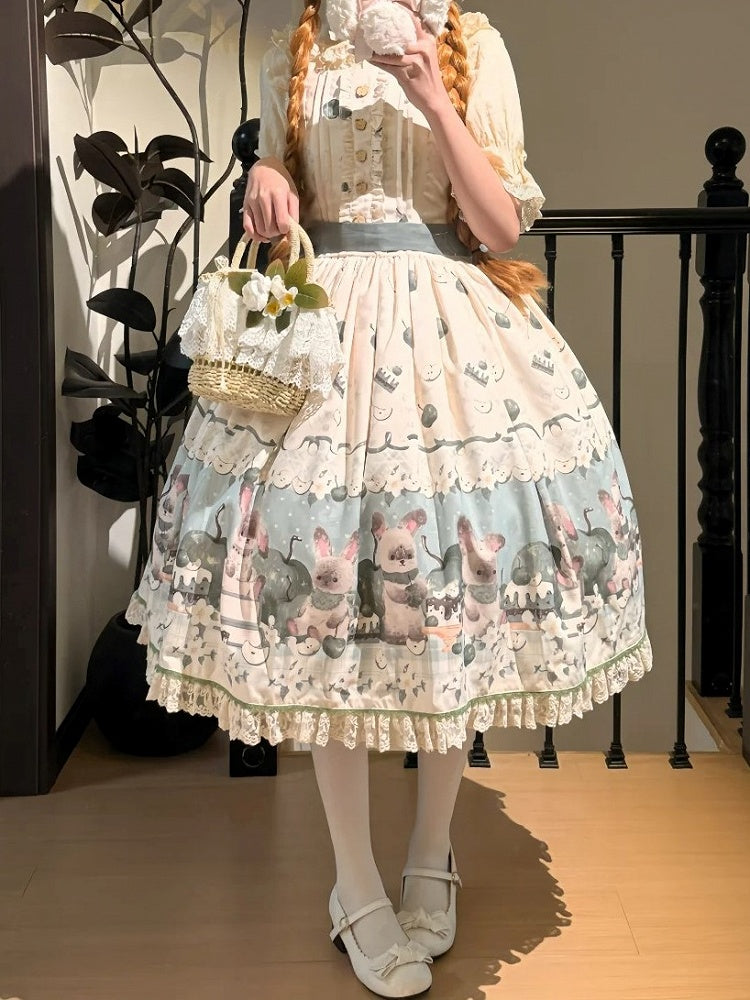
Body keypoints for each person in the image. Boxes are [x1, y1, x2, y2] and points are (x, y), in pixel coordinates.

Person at [127, 0, 653, 994]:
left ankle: (430, 850)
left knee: (441, 606)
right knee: (332, 613)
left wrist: (428, 91)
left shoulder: (473, 43)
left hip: (450, 343)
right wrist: (268, 177)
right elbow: (284, 185)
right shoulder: (298, 45)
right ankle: (355, 881)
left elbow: (499, 224)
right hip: (326, 347)